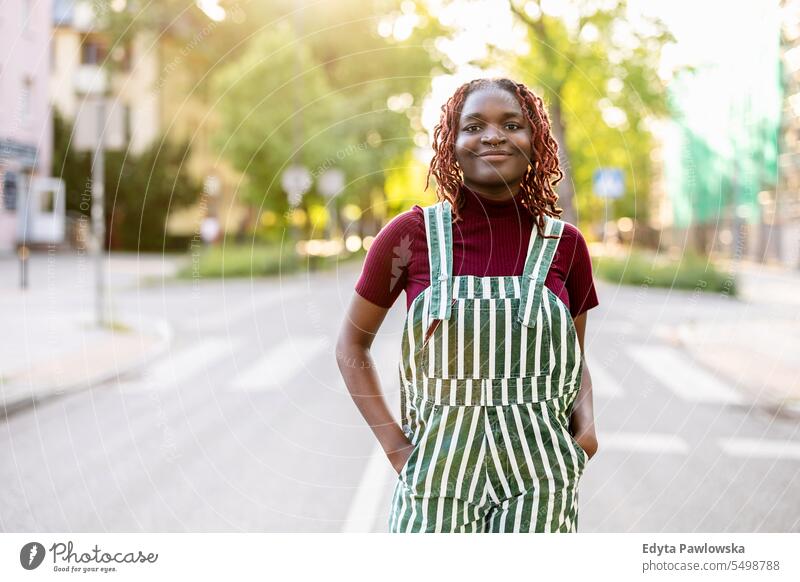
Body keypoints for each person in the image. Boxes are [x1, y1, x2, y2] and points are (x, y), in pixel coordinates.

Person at [335, 77, 600, 533]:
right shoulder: (409, 237)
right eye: (473, 125)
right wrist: (398, 450)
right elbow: (350, 347)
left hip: (540, 482)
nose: (493, 135)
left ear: (535, 141)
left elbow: (572, 361)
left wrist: (587, 431)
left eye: (511, 124)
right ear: (451, 145)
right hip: (436, 482)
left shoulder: (565, 246)